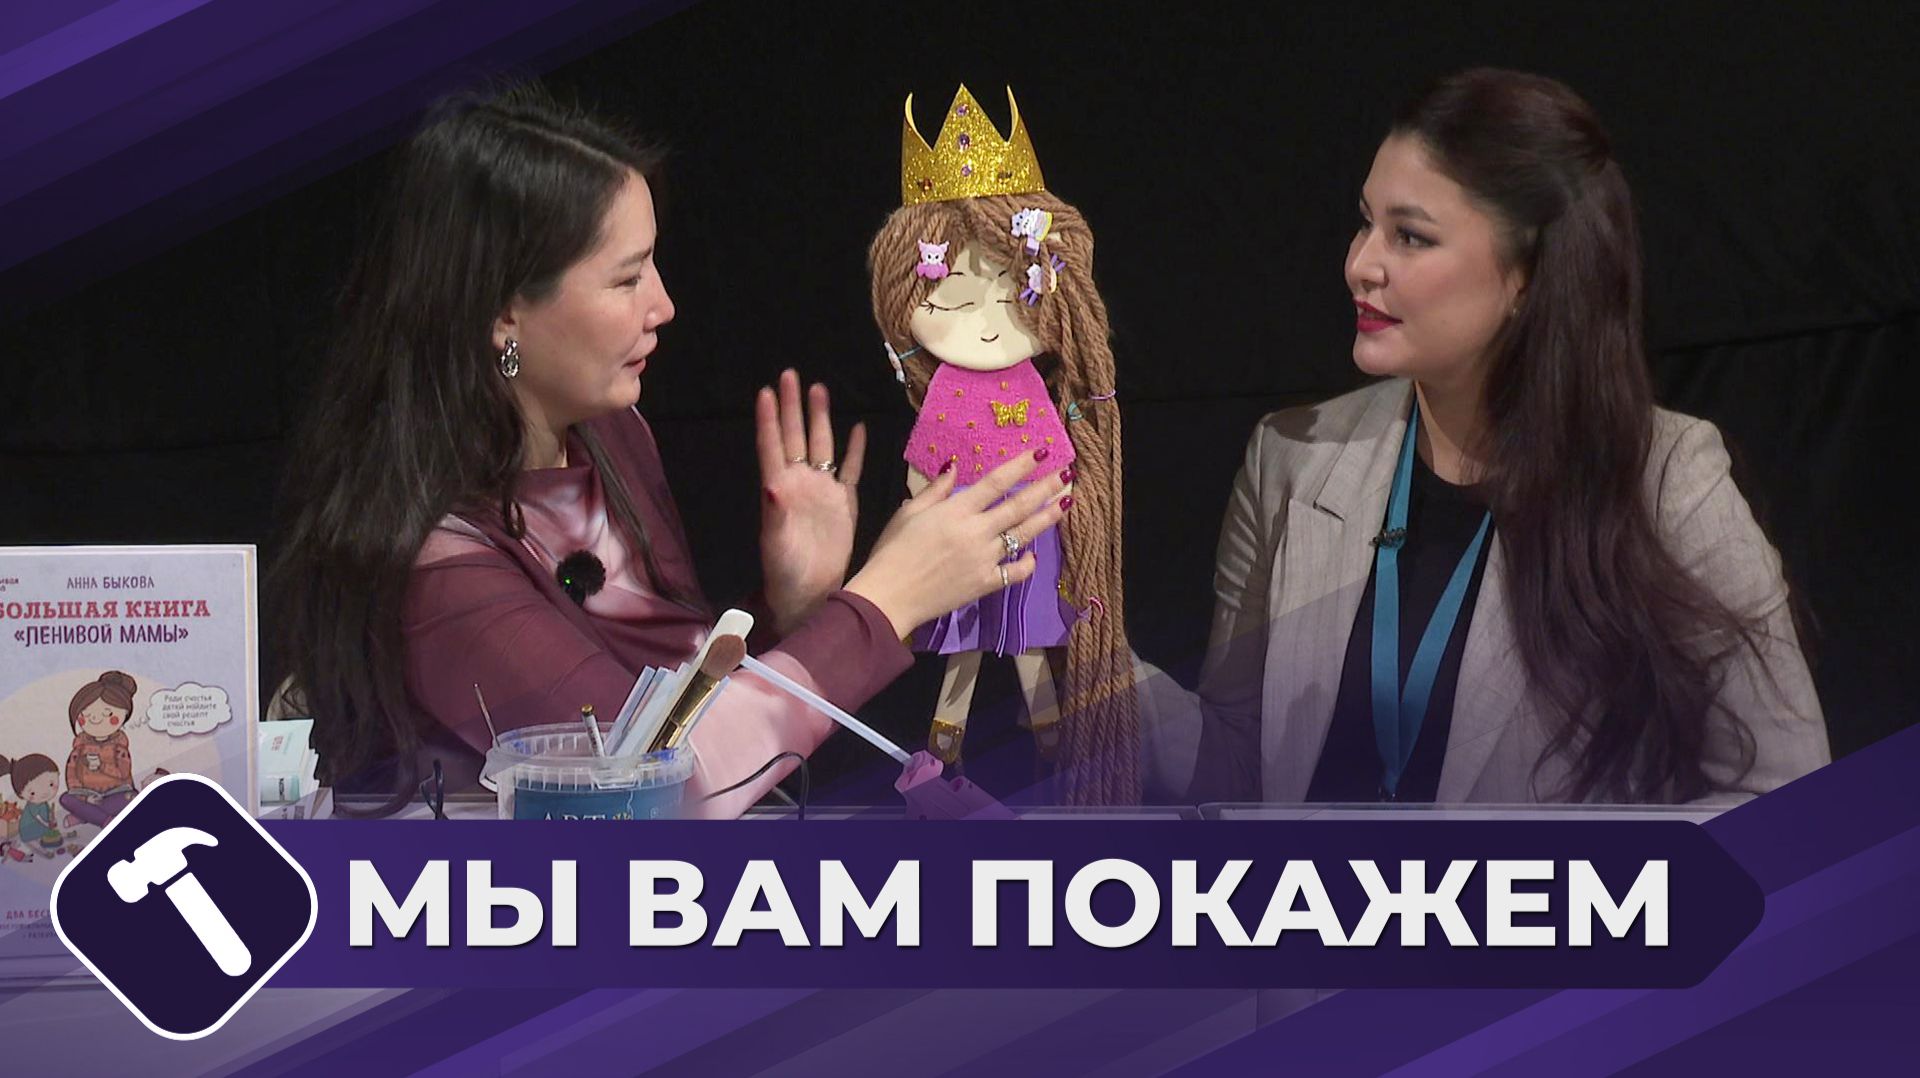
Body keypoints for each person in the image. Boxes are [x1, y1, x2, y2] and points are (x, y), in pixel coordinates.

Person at [271, 83, 1067, 816]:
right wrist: (884, 603)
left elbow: (674, 722)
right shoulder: (436, 570)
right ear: (502, 312)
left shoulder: (611, 437)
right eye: (626, 280)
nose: (664, 304)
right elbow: (660, 794)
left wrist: (792, 612)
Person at [1140, 69, 1829, 805]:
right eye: (1365, 222)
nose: (1359, 265)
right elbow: (1238, 772)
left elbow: (1785, 801)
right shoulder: (1290, 459)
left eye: (1410, 236)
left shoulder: (1666, 480)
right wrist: (1077, 647)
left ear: (1526, 276)